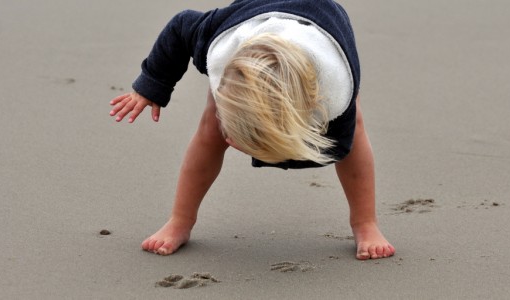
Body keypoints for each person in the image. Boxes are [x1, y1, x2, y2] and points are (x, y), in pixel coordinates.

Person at [109, 0, 395, 260]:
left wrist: (282, 149)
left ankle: (365, 222)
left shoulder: (336, 87)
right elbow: (180, 25)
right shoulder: (217, 46)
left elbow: (337, 146)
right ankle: (180, 220)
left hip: (322, 22)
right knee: (212, 127)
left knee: (353, 132)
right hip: (247, 25)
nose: (233, 142)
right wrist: (153, 85)